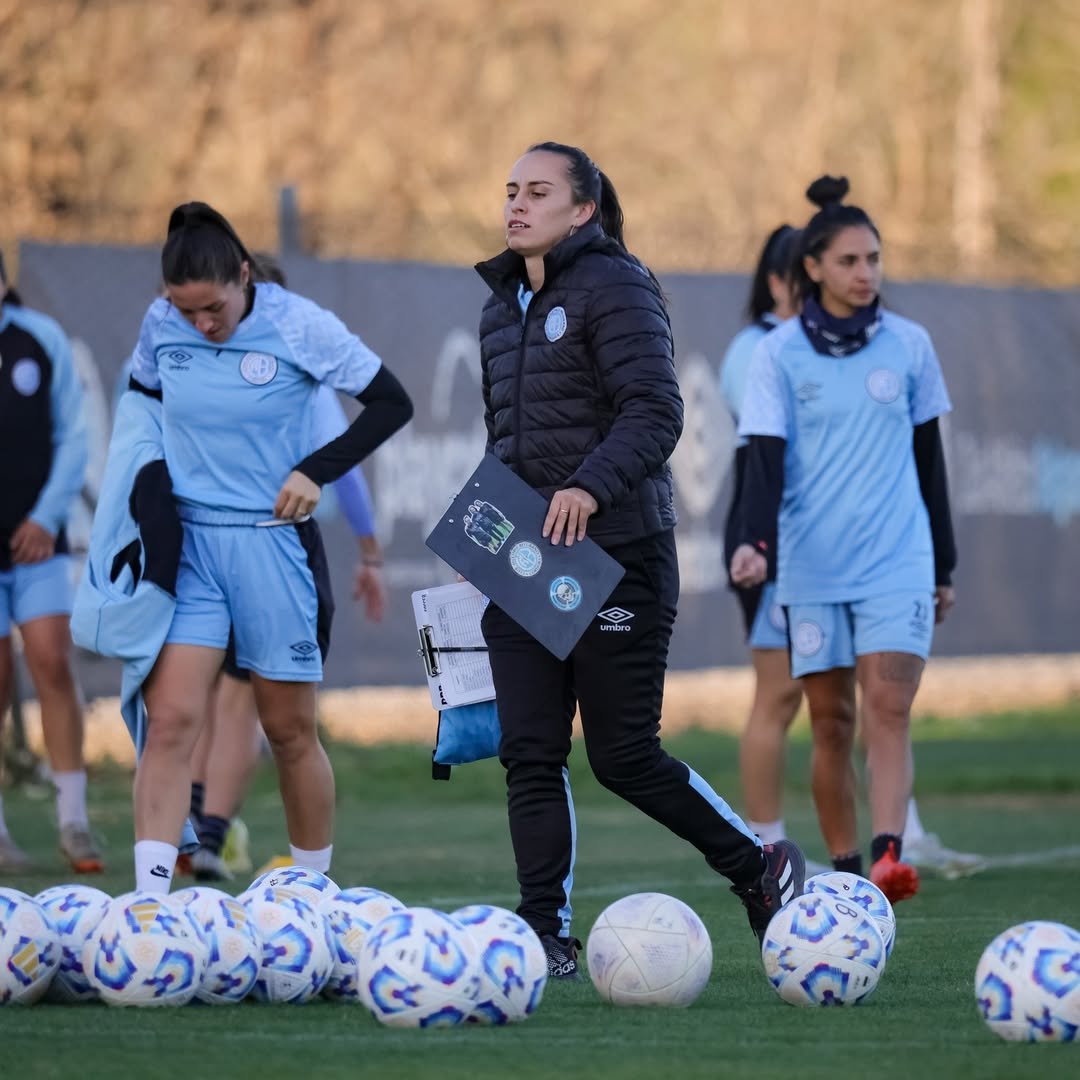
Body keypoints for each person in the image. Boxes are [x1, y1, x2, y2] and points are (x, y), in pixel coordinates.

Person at [473, 142, 805, 979]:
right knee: (530, 750)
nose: (517, 204)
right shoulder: (499, 304)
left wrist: (588, 487)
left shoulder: (617, 284)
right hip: (523, 559)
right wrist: (483, 542)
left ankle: (755, 868)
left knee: (621, 757)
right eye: (511, 190)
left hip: (616, 554)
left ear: (582, 209)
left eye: (538, 192)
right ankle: (543, 933)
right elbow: (507, 443)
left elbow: (656, 411)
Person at [106, 202, 412, 894]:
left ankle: (311, 896)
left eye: (212, 307)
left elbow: (392, 402)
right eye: (184, 312)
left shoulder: (299, 324)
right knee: (171, 722)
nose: (200, 325)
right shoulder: (163, 326)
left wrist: (315, 472)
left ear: (244, 275)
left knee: (288, 731)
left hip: (272, 547)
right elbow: (139, 414)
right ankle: (150, 907)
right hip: (189, 551)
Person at [731, 175, 958, 903]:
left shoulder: (910, 345)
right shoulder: (777, 356)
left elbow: (931, 461)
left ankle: (890, 856)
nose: (867, 275)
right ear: (815, 270)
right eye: (851, 262)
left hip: (899, 559)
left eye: (875, 260)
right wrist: (753, 545)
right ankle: (849, 876)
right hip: (811, 567)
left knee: (888, 707)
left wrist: (943, 564)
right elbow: (761, 462)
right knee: (830, 723)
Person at [178, 254, 389, 883]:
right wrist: (370, 550)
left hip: (239, 552)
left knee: (218, 705)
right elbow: (344, 467)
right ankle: (204, 836)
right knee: (231, 708)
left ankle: (200, 834)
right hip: (252, 553)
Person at [0, 250, 103, 874]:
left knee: (50, 661)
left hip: (38, 542)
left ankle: (74, 820)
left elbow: (74, 436)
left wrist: (45, 517)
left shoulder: (39, 340)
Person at [719, 225, 806, 851]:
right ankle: (764, 841)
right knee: (779, 693)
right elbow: (763, 458)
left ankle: (896, 835)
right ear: (776, 281)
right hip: (770, 535)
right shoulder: (756, 349)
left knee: (857, 694)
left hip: (828, 540)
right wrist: (762, 542)